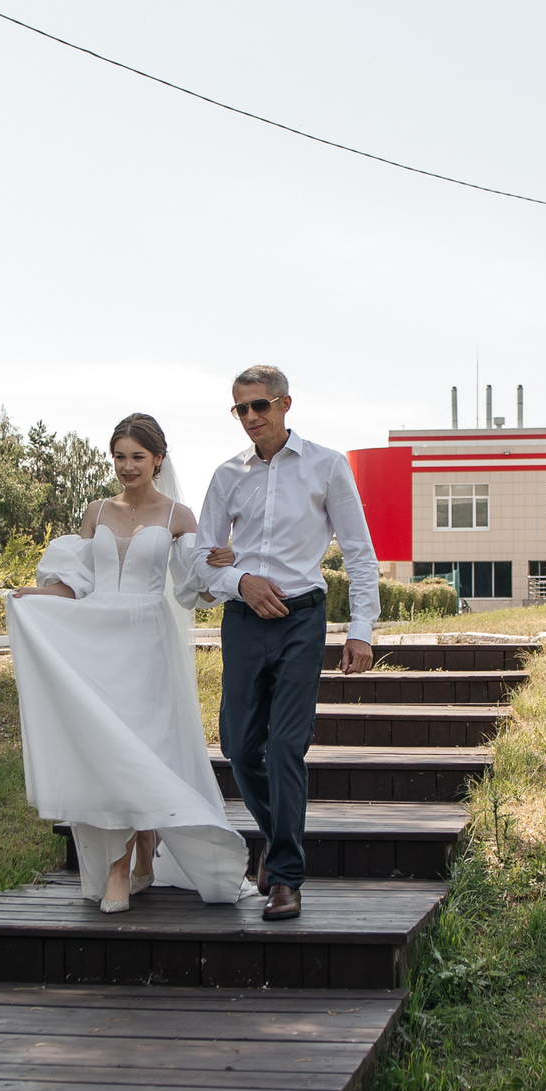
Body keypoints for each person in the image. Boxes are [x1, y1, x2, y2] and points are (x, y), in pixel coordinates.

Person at [4, 414, 251, 912]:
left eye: (138, 456)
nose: (127, 466)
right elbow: (79, 580)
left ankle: (130, 861)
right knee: (106, 747)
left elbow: (189, 585)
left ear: (159, 458)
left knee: (145, 746)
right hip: (98, 640)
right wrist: (37, 595)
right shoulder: (95, 511)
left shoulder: (178, 517)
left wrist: (219, 564)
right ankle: (131, 854)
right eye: (120, 456)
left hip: (146, 638)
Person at [194, 365, 379, 921]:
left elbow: (359, 552)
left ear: (285, 405)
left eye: (260, 406)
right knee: (238, 746)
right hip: (244, 620)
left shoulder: (327, 466)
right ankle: (278, 836)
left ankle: (286, 878)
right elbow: (203, 558)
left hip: (303, 619)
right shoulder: (227, 474)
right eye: (241, 409)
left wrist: (361, 631)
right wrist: (241, 582)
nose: (251, 417)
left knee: (285, 747)